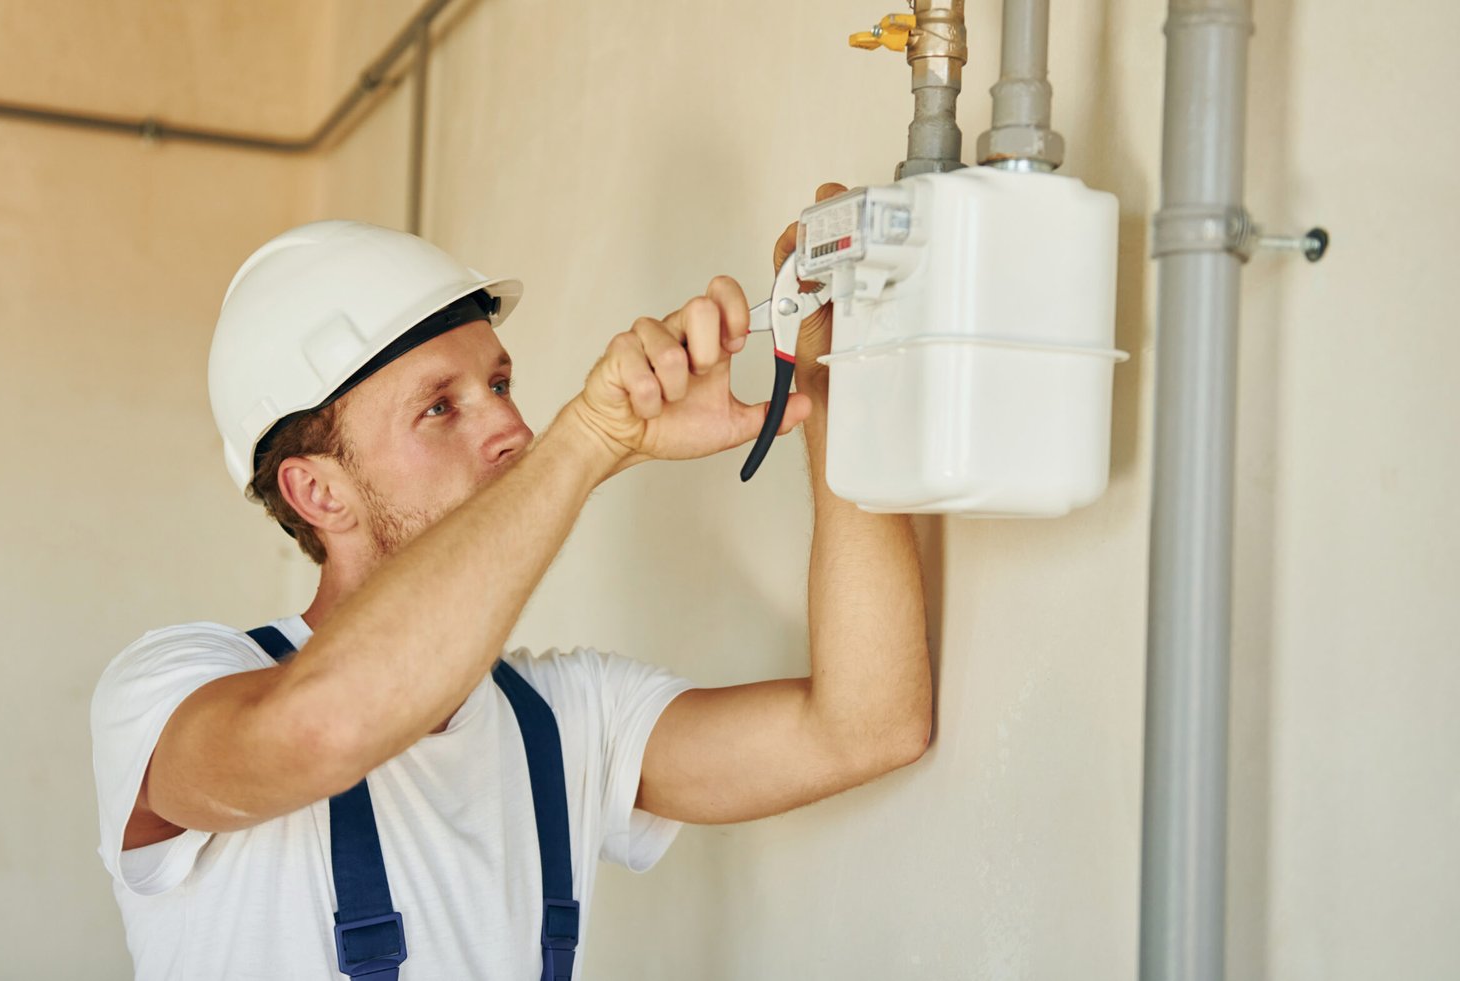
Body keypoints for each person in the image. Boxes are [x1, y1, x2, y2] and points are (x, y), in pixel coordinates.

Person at [90, 183, 932, 980]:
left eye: (499, 384)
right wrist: (590, 441)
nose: (513, 429)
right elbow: (322, 730)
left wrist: (830, 373)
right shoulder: (174, 688)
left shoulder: (564, 720)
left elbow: (868, 725)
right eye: (440, 407)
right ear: (318, 492)